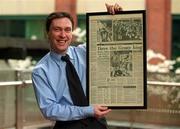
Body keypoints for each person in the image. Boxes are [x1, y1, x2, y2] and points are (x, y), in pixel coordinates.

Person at [32, 3, 122, 129]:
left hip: (98, 123)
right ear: (48, 33)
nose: (63, 35)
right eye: (57, 29)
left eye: (67, 29)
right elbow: (49, 109)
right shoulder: (40, 71)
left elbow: (109, 41)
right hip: (68, 126)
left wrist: (114, 17)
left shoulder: (85, 52)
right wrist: (88, 110)